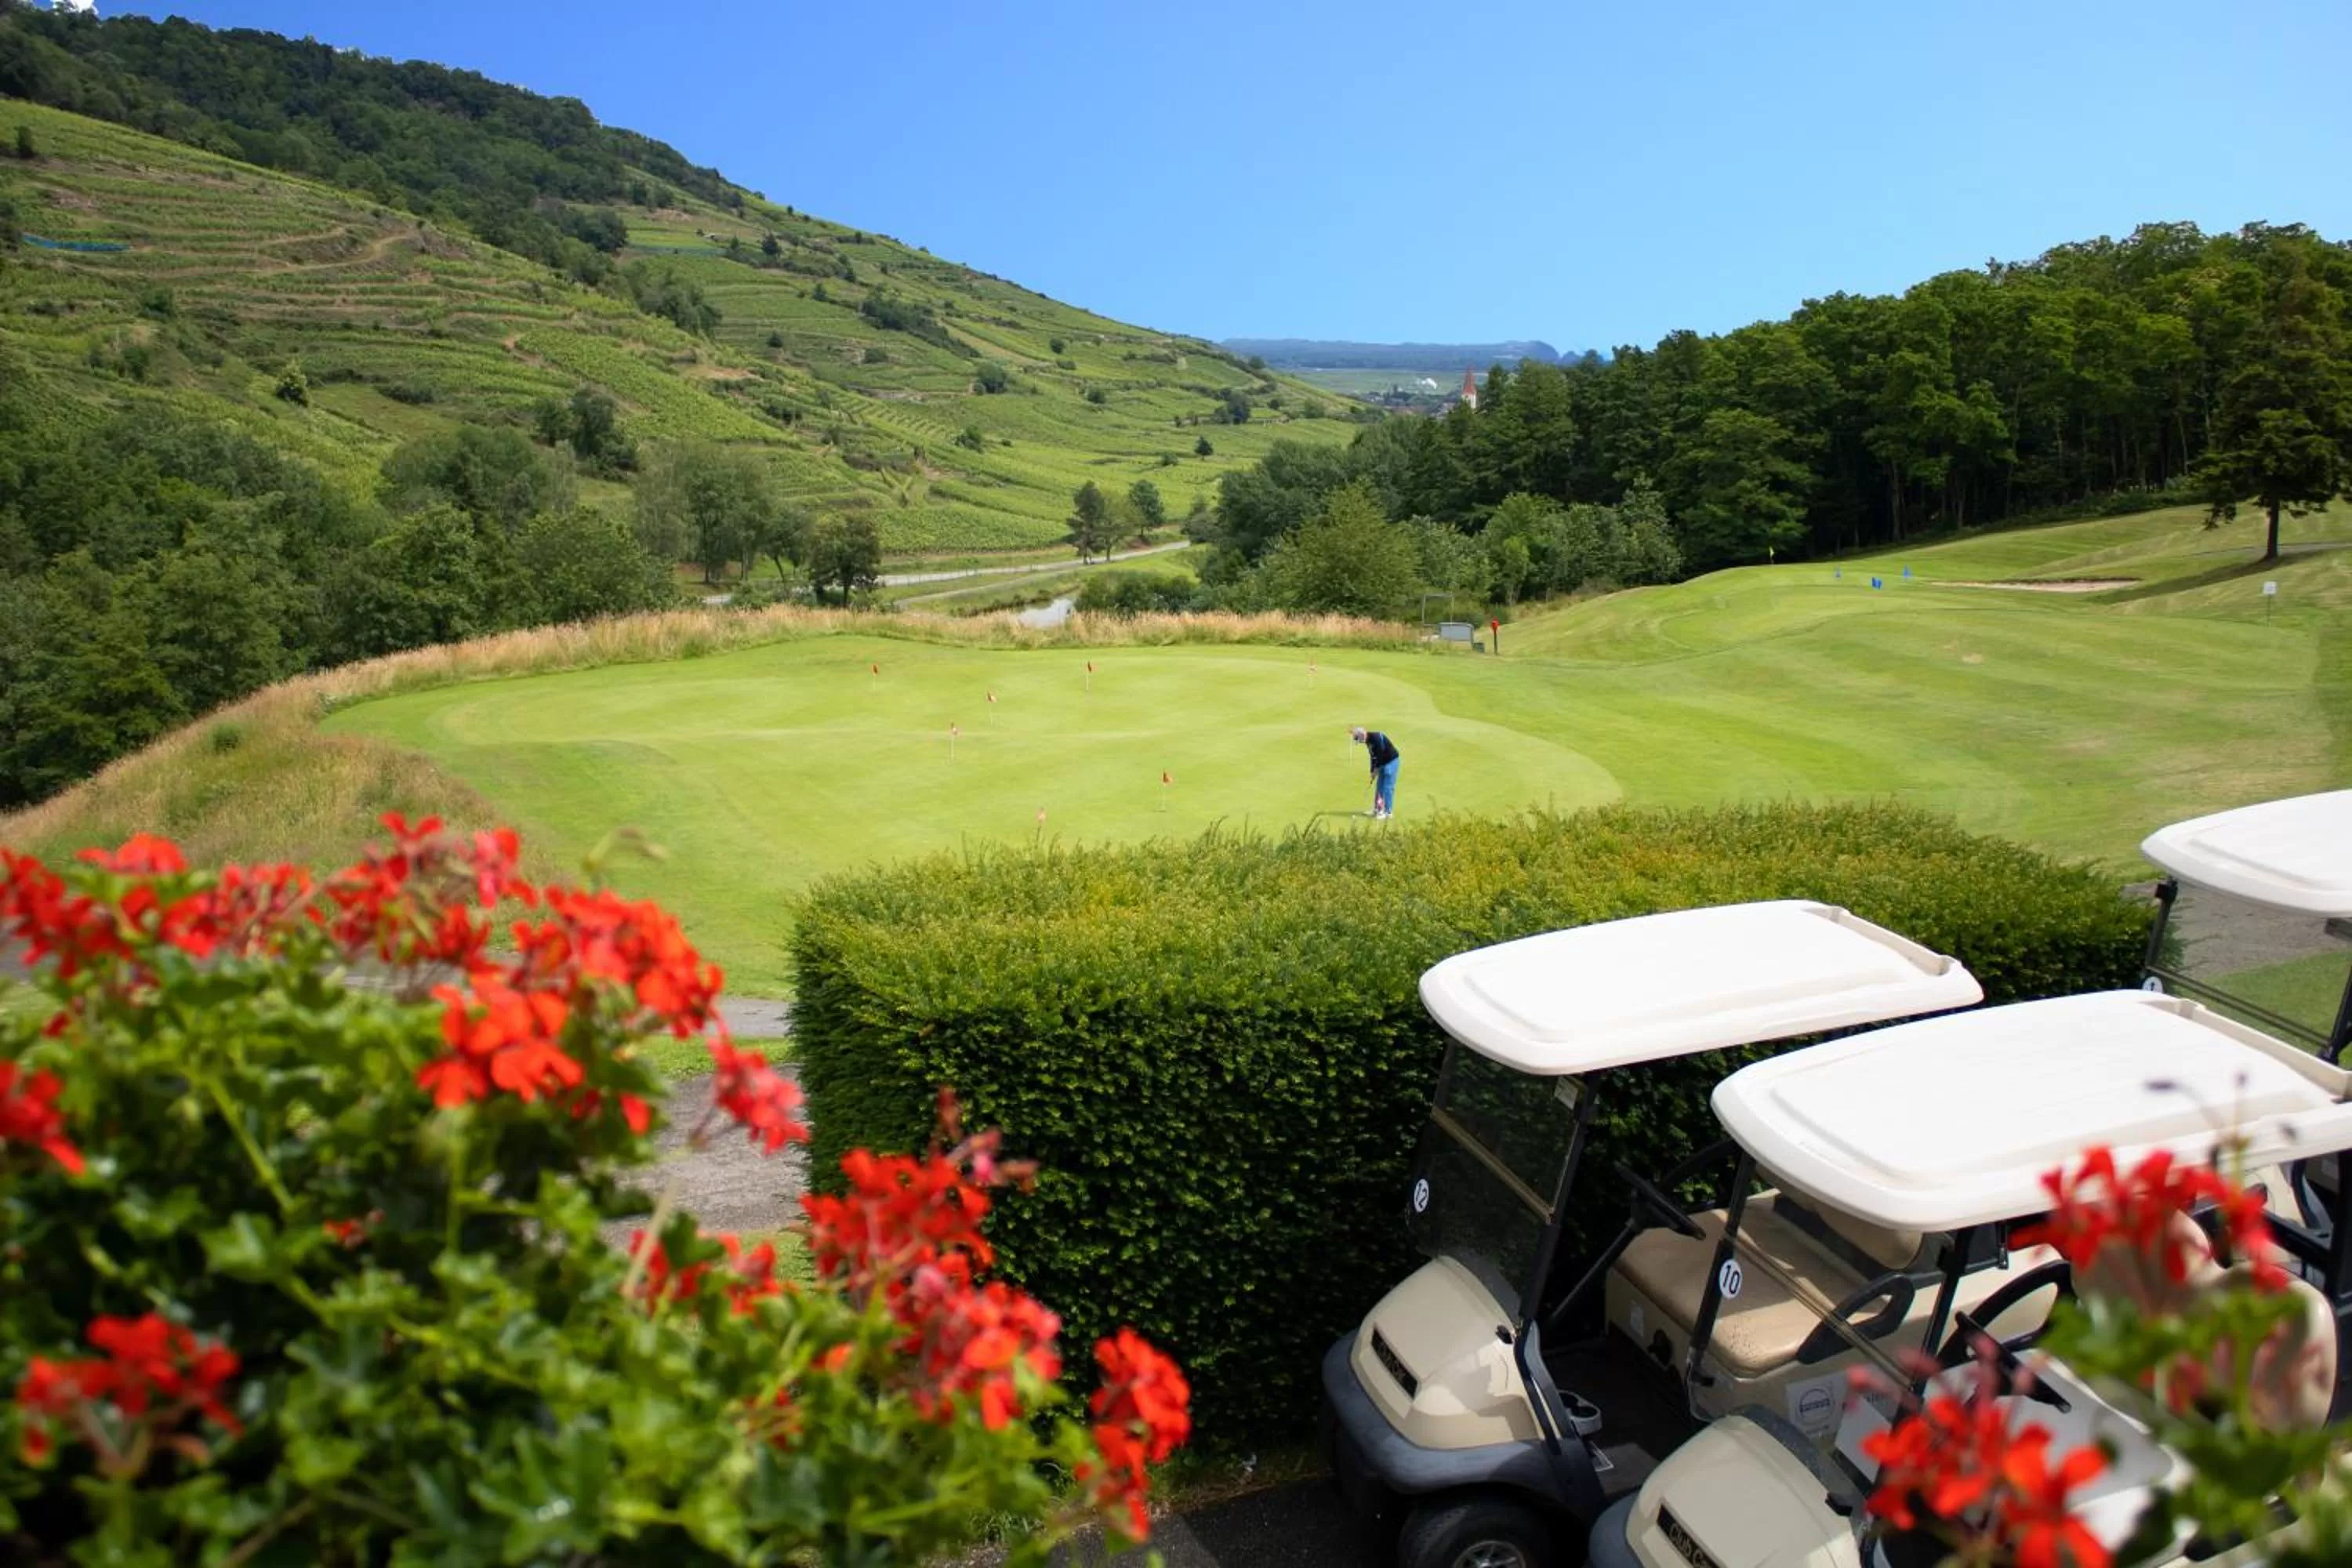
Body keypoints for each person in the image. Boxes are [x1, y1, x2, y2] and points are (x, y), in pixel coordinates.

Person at [1351, 727, 1400, 819]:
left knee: (1387, 788)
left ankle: (1388, 812)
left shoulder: (1376, 737)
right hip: (1383, 763)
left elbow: (1381, 754)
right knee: (1379, 787)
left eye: (1359, 740)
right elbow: (1373, 756)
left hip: (1391, 762)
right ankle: (1378, 809)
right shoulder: (1367, 741)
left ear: (1362, 735)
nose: (1360, 742)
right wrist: (1372, 771)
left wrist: (1377, 769)